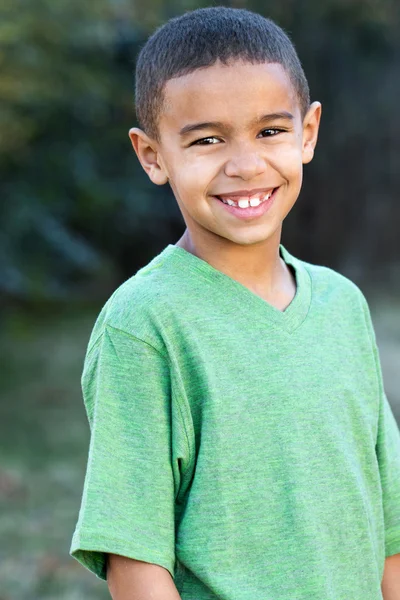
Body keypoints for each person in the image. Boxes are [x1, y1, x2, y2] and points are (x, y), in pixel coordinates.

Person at [69, 6, 400, 599]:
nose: (246, 166)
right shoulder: (145, 325)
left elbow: (391, 527)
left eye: (270, 131)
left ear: (307, 133)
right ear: (152, 155)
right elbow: (134, 558)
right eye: (207, 140)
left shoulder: (342, 305)